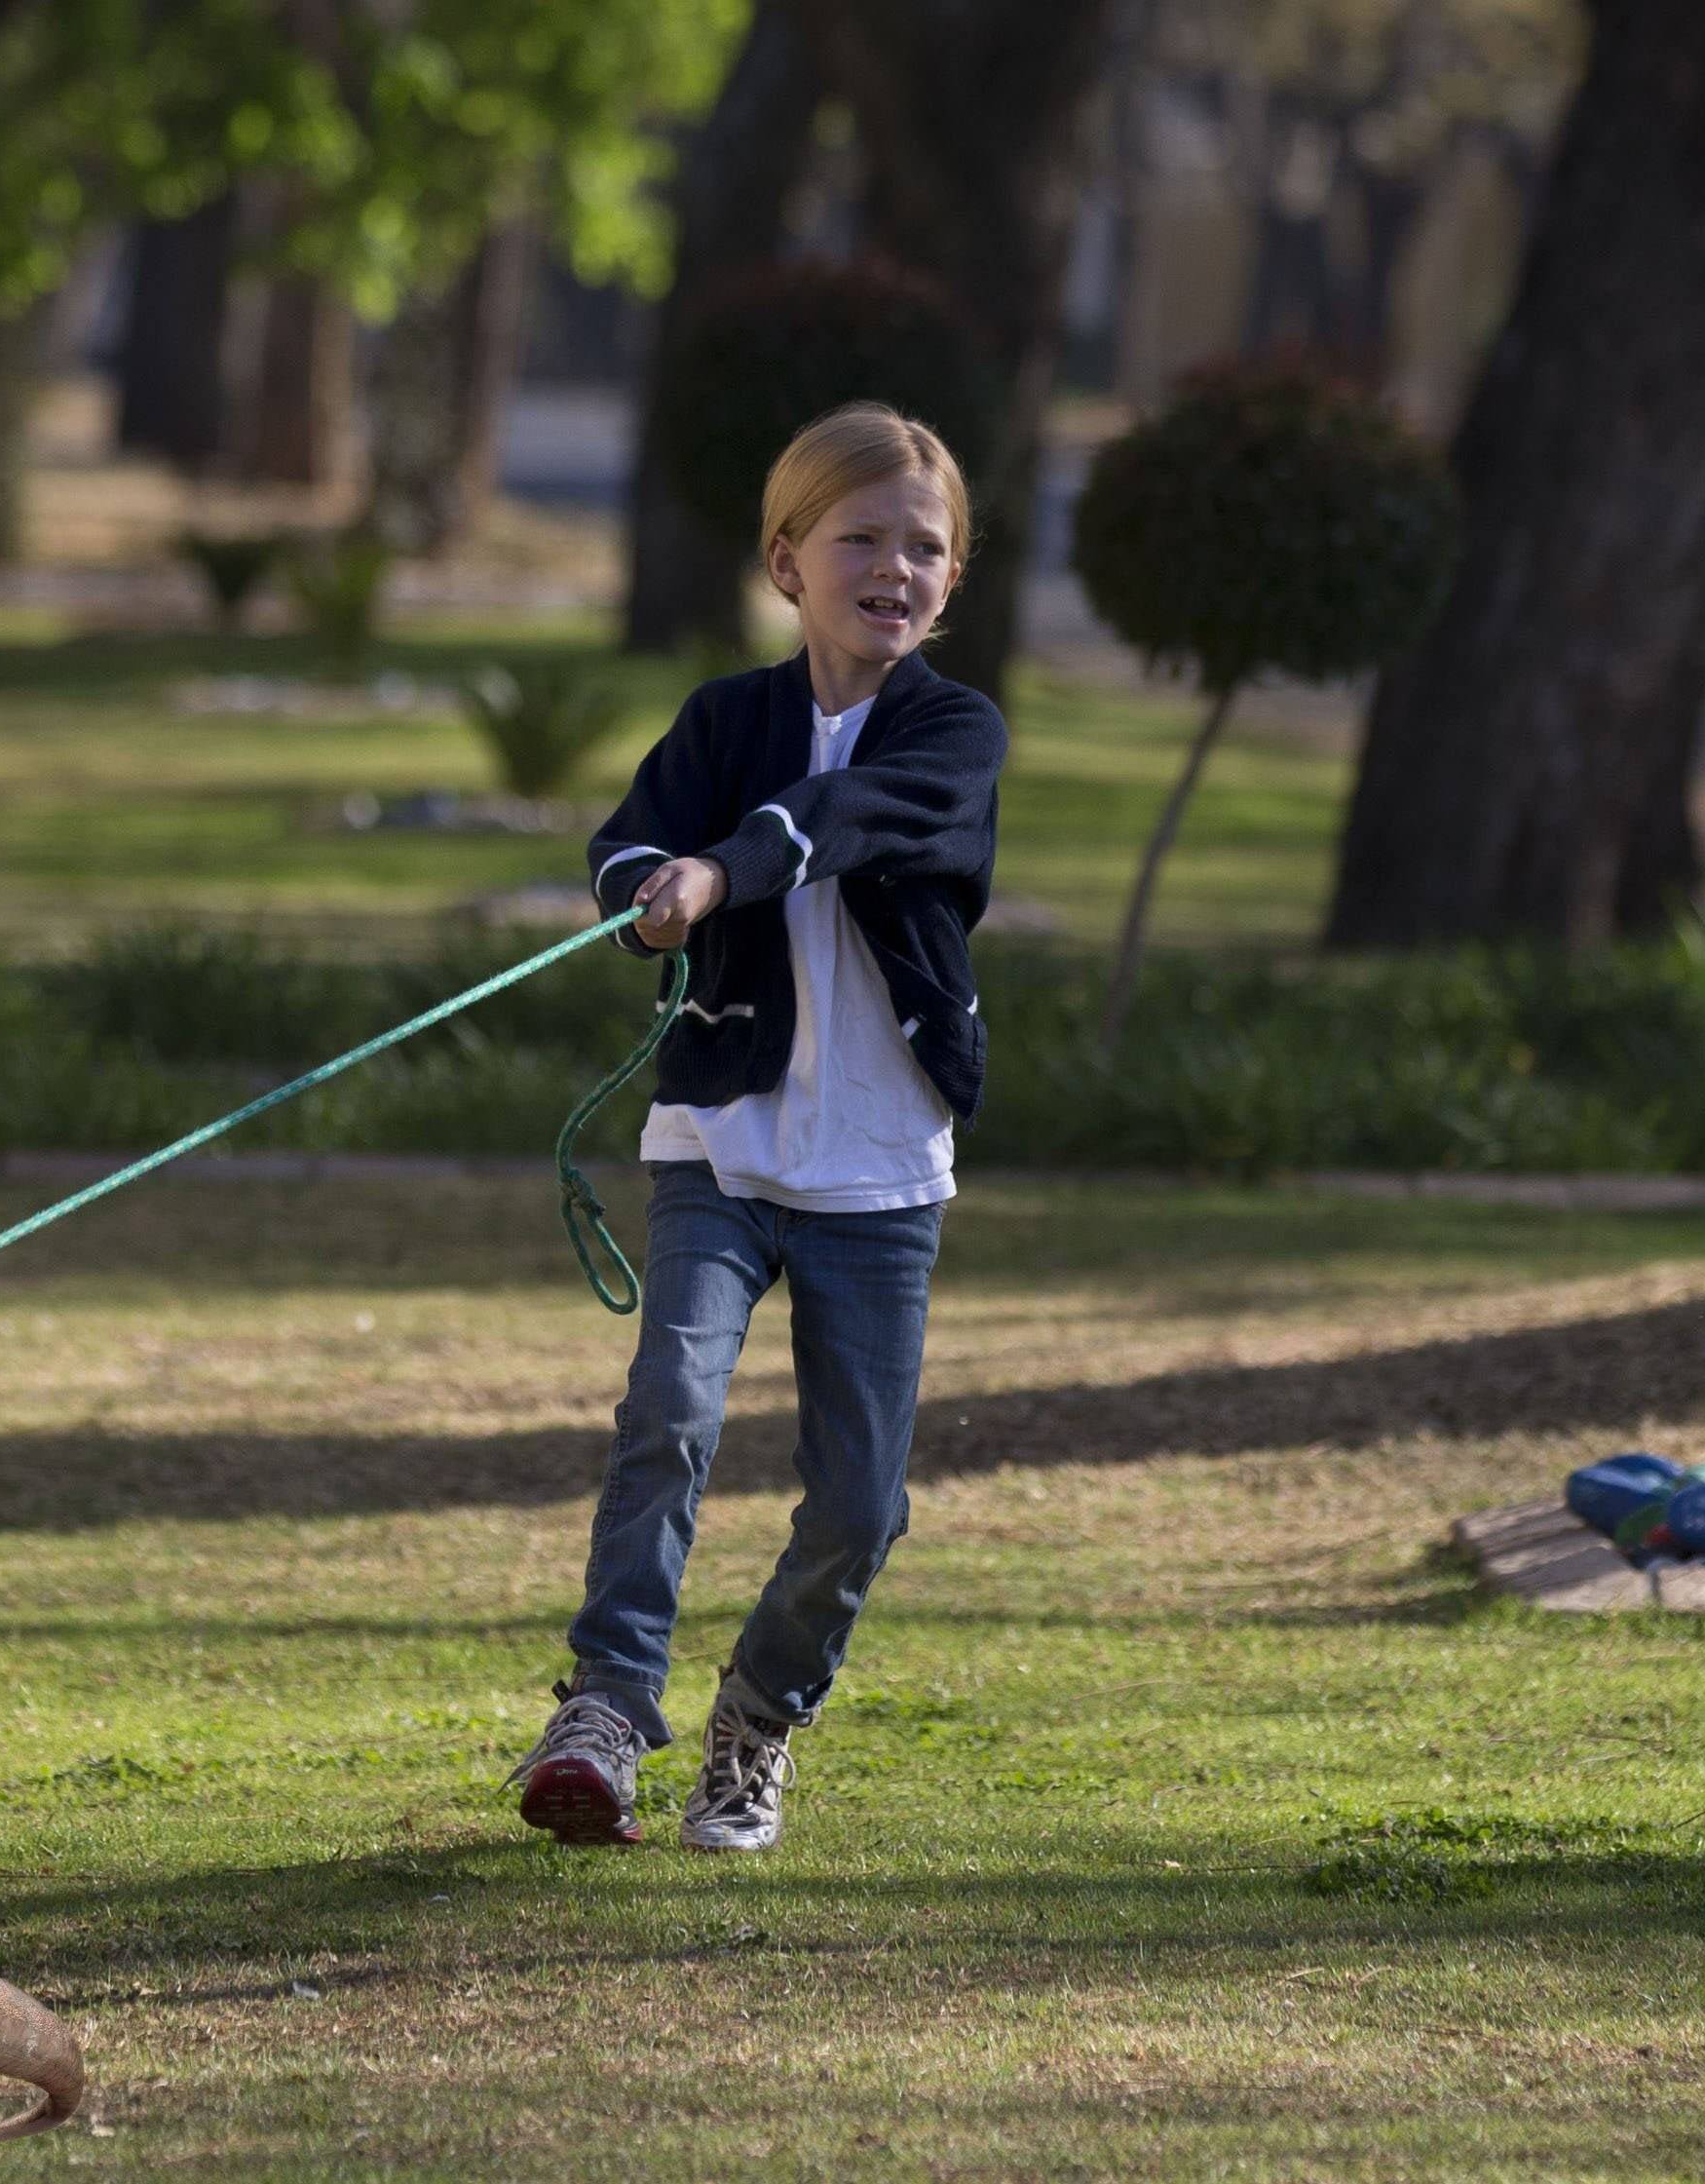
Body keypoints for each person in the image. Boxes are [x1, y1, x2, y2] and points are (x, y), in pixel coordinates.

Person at [509, 402, 1006, 1852]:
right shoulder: (723, 719)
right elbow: (619, 845)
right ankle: (602, 1709)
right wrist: (645, 884)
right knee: (668, 1409)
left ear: (952, 579)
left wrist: (721, 874)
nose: (894, 568)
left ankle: (758, 1718)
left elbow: (836, 819)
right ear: (786, 559)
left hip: (878, 1169)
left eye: (925, 547)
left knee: (859, 1501)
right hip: (717, 1145)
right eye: (861, 538)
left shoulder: (952, 733)